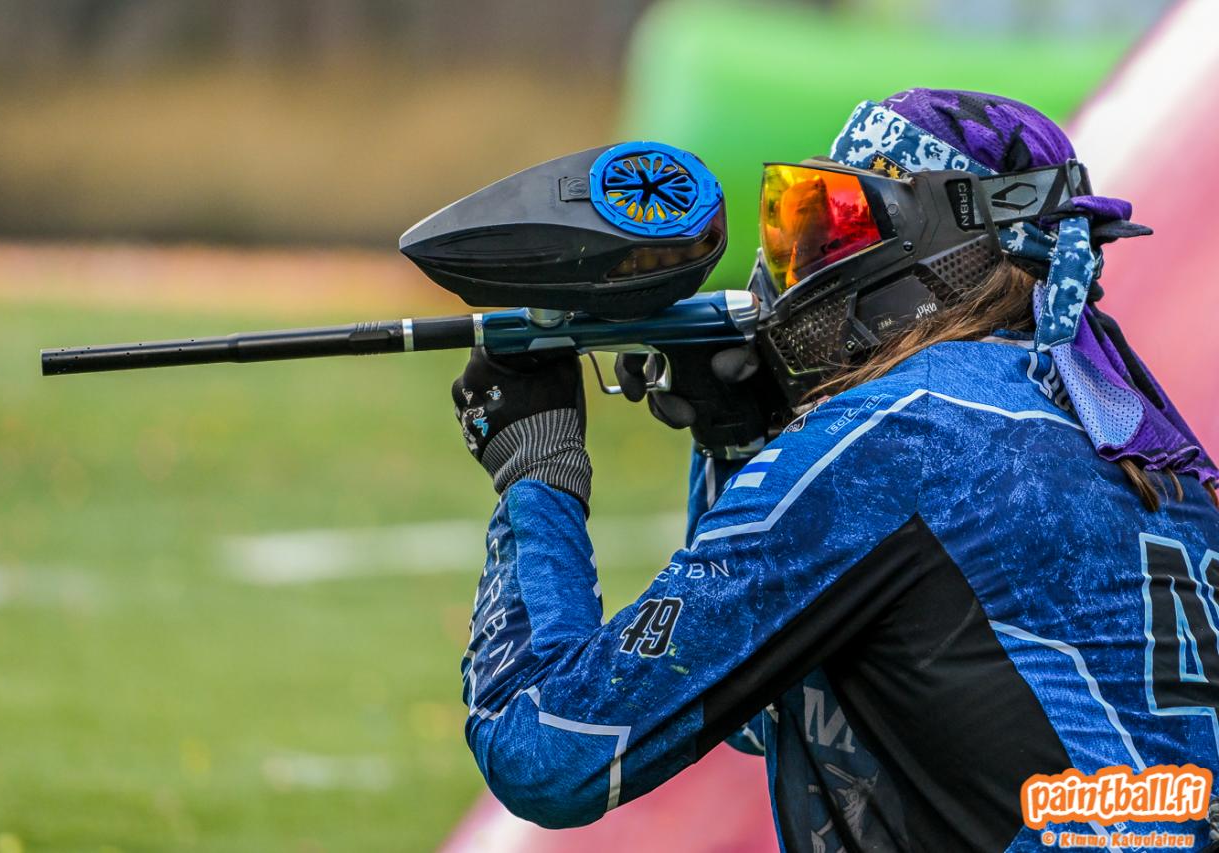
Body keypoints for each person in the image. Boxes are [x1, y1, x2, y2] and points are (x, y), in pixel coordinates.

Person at [451, 89, 1219, 851]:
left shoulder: (904, 432)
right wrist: (735, 439)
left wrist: (537, 464)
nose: (792, 267)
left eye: (837, 225)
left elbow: (547, 746)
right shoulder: (1147, 444)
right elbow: (765, 703)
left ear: (938, 241)